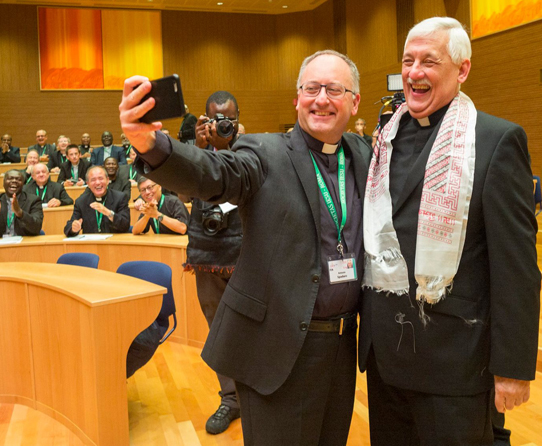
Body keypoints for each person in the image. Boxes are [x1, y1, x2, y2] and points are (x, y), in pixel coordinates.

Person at [119, 49, 371, 445]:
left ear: (354, 102)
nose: (321, 98)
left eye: (334, 89)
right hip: (277, 347)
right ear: (297, 98)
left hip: (341, 347)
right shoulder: (264, 153)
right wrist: (153, 146)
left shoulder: (362, 154)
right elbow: (215, 174)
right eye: (311, 88)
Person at [360, 17, 540, 445]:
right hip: (387, 357)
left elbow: (516, 267)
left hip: (454, 364)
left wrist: (512, 368)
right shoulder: (383, 141)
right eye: (408, 61)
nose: (414, 72)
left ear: (461, 70)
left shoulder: (496, 141)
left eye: (429, 61)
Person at [177, 91, 246, 434]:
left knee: (251, 328)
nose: (221, 124)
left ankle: (254, 397)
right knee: (218, 330)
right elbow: (183, 195)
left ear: (236, 119)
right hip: (206, 255)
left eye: (227, 119)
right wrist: (199, 150)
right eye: (214, 118)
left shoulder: (250, 148)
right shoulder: (197, 150)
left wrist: (230, 145)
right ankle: (230, 400)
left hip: (245, 254)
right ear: (204, 119)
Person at [64, 166, 130, 236]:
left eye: (101, 178)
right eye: (93, 180)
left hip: (113, 244)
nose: (98, 182)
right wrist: (73, 228)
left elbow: (125, 226)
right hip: (91, 245)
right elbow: (68, 227)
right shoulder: (81, 202)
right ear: (88, 184)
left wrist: (108, 213)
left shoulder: (120, 198)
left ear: (107, 180)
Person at [0, 170, 43, 238]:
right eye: (10, 178)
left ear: (23, 184)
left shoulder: (33, 200)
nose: (14, 181)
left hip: (24, 244)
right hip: (1, 245)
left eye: (18, 179)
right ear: (3, 183)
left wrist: (20, 213)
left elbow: (36, 228)